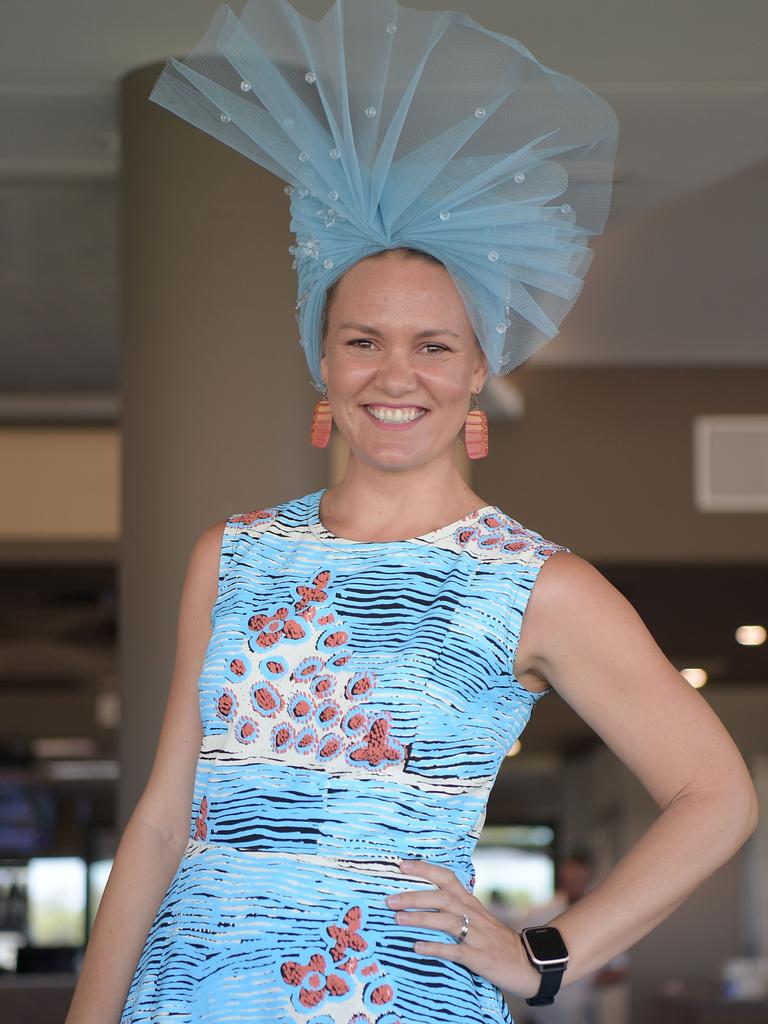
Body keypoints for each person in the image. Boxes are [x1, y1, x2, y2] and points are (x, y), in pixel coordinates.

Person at [64, 2, 758, 1022]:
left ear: (480, 369)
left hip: (399, 998)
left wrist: (547, 955)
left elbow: (720, 797)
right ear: (322, 356)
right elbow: (165, 823)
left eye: (435, 345)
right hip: (189, 996)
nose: (398, 374)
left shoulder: (537, 584)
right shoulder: (235, 554)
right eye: (362, 340)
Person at [509, 851, 630, 1024]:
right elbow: (516, 954)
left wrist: (585, 981)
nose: (576, 881)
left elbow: (620, 969)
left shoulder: (602, 916)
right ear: (563, 874)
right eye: (572, 875)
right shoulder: (539, 914)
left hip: (581, 1007)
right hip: (540, 1008)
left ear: (589, 875)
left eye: (580, 876)